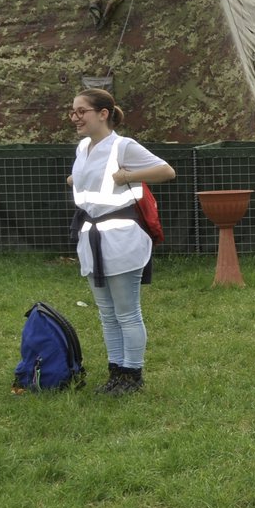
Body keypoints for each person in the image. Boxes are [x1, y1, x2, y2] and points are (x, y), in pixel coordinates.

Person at [66, 88, 175, 395]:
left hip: (122, 241)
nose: (75, 118)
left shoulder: (123, 146)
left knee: (127, 312)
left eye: (81, 111)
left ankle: (132, 375)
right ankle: (116, 373)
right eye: (72, 112)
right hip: (91, 239)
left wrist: (127, 176)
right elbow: (89, 185)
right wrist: (75, 180)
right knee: (106, 312)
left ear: (103, 114)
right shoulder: (82, 148)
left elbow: (166, 171)